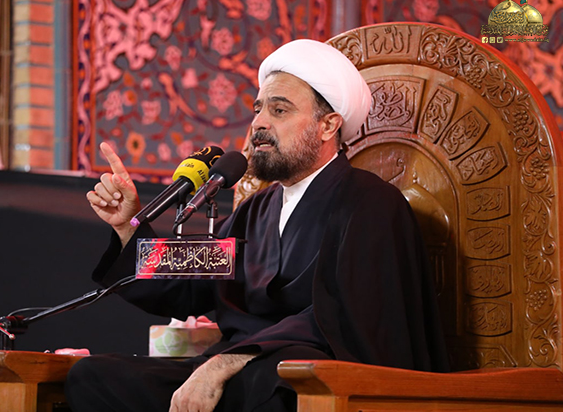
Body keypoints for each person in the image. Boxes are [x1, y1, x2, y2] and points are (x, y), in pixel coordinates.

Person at [65, 39, 449, 412]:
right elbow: (185, 287)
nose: (259, 124)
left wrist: (225, 364)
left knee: (272, 388)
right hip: (237, 371)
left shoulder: (372, 204)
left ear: (328, 125)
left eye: (279, 110)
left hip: (308, 378)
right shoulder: (255, 211)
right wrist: (128, 226)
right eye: (258, 109)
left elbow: (345, 319)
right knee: (92, 377)